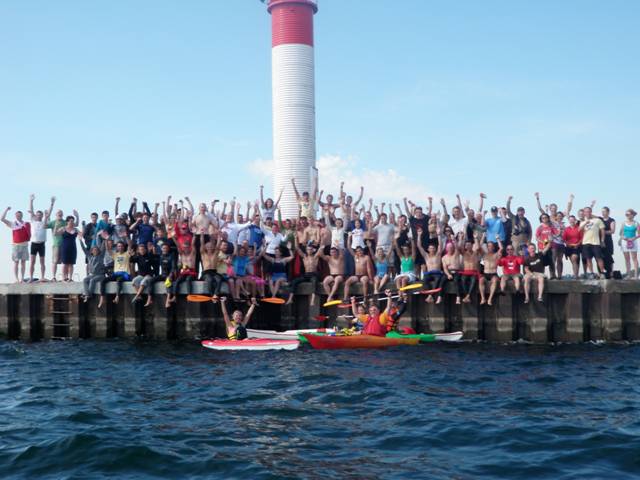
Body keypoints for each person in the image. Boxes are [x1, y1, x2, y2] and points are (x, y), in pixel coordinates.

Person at [2, 206, 31, 283]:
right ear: (15, 216)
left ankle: (22, 279)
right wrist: (6, 210)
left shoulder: (26, 224)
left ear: (22, 216)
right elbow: (2, 219)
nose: (18, 216)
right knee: (16, 262)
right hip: (16, 245)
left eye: (20, 215)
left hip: (24, 245)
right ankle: (16, 279)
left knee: (23, 262)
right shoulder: (13, 223)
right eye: (17, 215)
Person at [27, 195, 53, 282]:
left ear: (42, 216)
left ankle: (42, 277)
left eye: (40, 215)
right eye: (37, 215)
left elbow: (48, 214)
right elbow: (31, 211)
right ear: (35, 216)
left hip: (42, 244)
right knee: (32, 262)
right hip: (34, 244)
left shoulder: (45, 222)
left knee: (42, 262)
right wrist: (31, 201)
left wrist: (52, 204)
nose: (38, 216)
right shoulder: (32, 221)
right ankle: (31, 277)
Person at [416, 230, 446, 304]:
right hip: (429, 273)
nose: (432, 249)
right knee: (424, 280)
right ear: (428, 249)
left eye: (433, 248)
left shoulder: (438, 255)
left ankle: (430, 296)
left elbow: (440, 245)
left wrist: (439, 235)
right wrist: (419, 235)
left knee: (437, 280)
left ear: (435, 249)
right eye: (430, 248)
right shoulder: (426, 256)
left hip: (437, 273)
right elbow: (419, 246)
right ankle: (430, 296)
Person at [289, 241, 322, 305]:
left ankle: (312, 300)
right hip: (306, 274)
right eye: (308, 249)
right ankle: (290, 299)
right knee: (294, 281)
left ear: (313, 250)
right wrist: (295, 238)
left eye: (310, 249)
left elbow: (321, 248)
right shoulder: (304, 257)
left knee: (314, 282)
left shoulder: (315, 257)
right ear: (306, 250)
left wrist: (322, 239)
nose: (309, 251)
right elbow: (297, 248)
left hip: (313, 274)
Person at [579, 207, 606, 279]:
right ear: (584, 213)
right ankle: (591, 273)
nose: (587, 213)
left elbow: (602, 230)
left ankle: (602, 272)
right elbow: (579, 230)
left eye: (589, 211)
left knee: (599, 258)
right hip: (586, 242)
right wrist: (585, 222)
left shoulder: (597, 220)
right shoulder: (582, 222)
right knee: (588, 259)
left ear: (591, 212)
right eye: (586, 212)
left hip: (596, 242)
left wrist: (602, 240)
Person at [56, 216, 83, 282]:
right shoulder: (63, 228)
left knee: (71, 263)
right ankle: (64, 278)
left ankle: (70, 278)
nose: (72, 222)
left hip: (73, 247)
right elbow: (56, 233)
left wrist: (83, 226)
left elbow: (81, 235)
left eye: (73, 221)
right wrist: (56, 226)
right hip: (65, 247)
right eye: (70, 221)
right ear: (67, 222)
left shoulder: (75, 229)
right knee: (65, 263)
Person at [81, 240, 107, 308]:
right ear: (92, 251)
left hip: (100, 275)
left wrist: (104, 241)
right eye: (94, 250)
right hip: (92, 275)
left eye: (96, 250)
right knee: (85, 280)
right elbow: (84, 249)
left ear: (98, 251)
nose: (95, 251)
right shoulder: (89, 257)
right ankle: (87, 294)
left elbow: (103, 248)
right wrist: (80, 240)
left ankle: (88, 295)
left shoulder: (101, 256)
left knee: (92, 280)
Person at [535, 213, 559, 279]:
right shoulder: (539, 228)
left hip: (551, 247)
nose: (544, 219)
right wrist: (544, 242)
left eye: (546, 217)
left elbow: (557, 233)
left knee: (552, 262)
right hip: (542, 247)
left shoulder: (551, 227)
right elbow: (537, 238)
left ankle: (552, 276)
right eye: (543, 218)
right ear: (541, 219)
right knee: (541, 262)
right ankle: (541, 275)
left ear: (548, 218)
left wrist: (553, 237)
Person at [479, 240, 502, 305]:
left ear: (493, 247)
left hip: (493, 273)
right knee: (481, 280)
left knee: (494, 281)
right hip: (485, 273)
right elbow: (479, 247)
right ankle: (483, 298)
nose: (490, 247)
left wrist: (498, 239)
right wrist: (483, 236)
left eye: (491, 246)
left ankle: (490, 299)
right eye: (489, 246)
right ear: (487, 247)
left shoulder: (496, 255)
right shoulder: (484, 254)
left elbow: (501, 248)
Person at [619, 209, 639, 279]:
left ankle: (636, 275)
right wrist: (623, 237)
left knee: (634, 258)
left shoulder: (636, 223)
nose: (627, 216)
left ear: (632, 215)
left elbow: (639, 234)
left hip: (633, 241)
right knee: (627, 259)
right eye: (626, 214)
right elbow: (620, 233)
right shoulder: (623, 223)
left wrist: (634, 238)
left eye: (628, 214)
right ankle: (628, 274)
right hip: (625, 242)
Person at [600, 207, 616, 279]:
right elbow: (590, 214)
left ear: (608, 212)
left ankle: (611, 273)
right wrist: (592, 205)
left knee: (609, 257)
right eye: (602, 211)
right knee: (600, 257)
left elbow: (612, 231)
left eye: (604, 211)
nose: (603, 213)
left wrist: (603, 232)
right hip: (600, 241)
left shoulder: (611, 220)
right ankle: (601, 273)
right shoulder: (600, 219)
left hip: (608, 241)